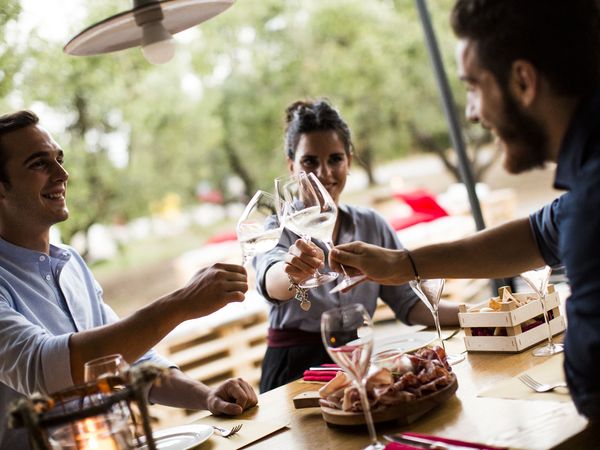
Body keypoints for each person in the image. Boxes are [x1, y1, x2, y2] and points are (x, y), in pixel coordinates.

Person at [329, 0, 600, 420]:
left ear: (524, 81)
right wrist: (404, 264)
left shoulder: (592, 203)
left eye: (473, 87)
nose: (472, 112)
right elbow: (538, 235)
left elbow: (591, 384)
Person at [0, 110, 258, 449]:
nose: (62, 174)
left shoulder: (71, 263)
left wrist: (207, 396)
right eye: (39, 164)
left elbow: (129, 360)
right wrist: (181, 303)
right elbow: (45, 369)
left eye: (59, 160)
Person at [254, 99, 461, 392]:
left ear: (349, 161)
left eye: (335, 159)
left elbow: (409, 303)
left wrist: (471, 313)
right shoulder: (277, 227)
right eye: (310, 161)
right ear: (292, 167)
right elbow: (269, 280)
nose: (323, 173)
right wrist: (292, 272)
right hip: (295, 372)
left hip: (356, 360)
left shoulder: (372, 225)